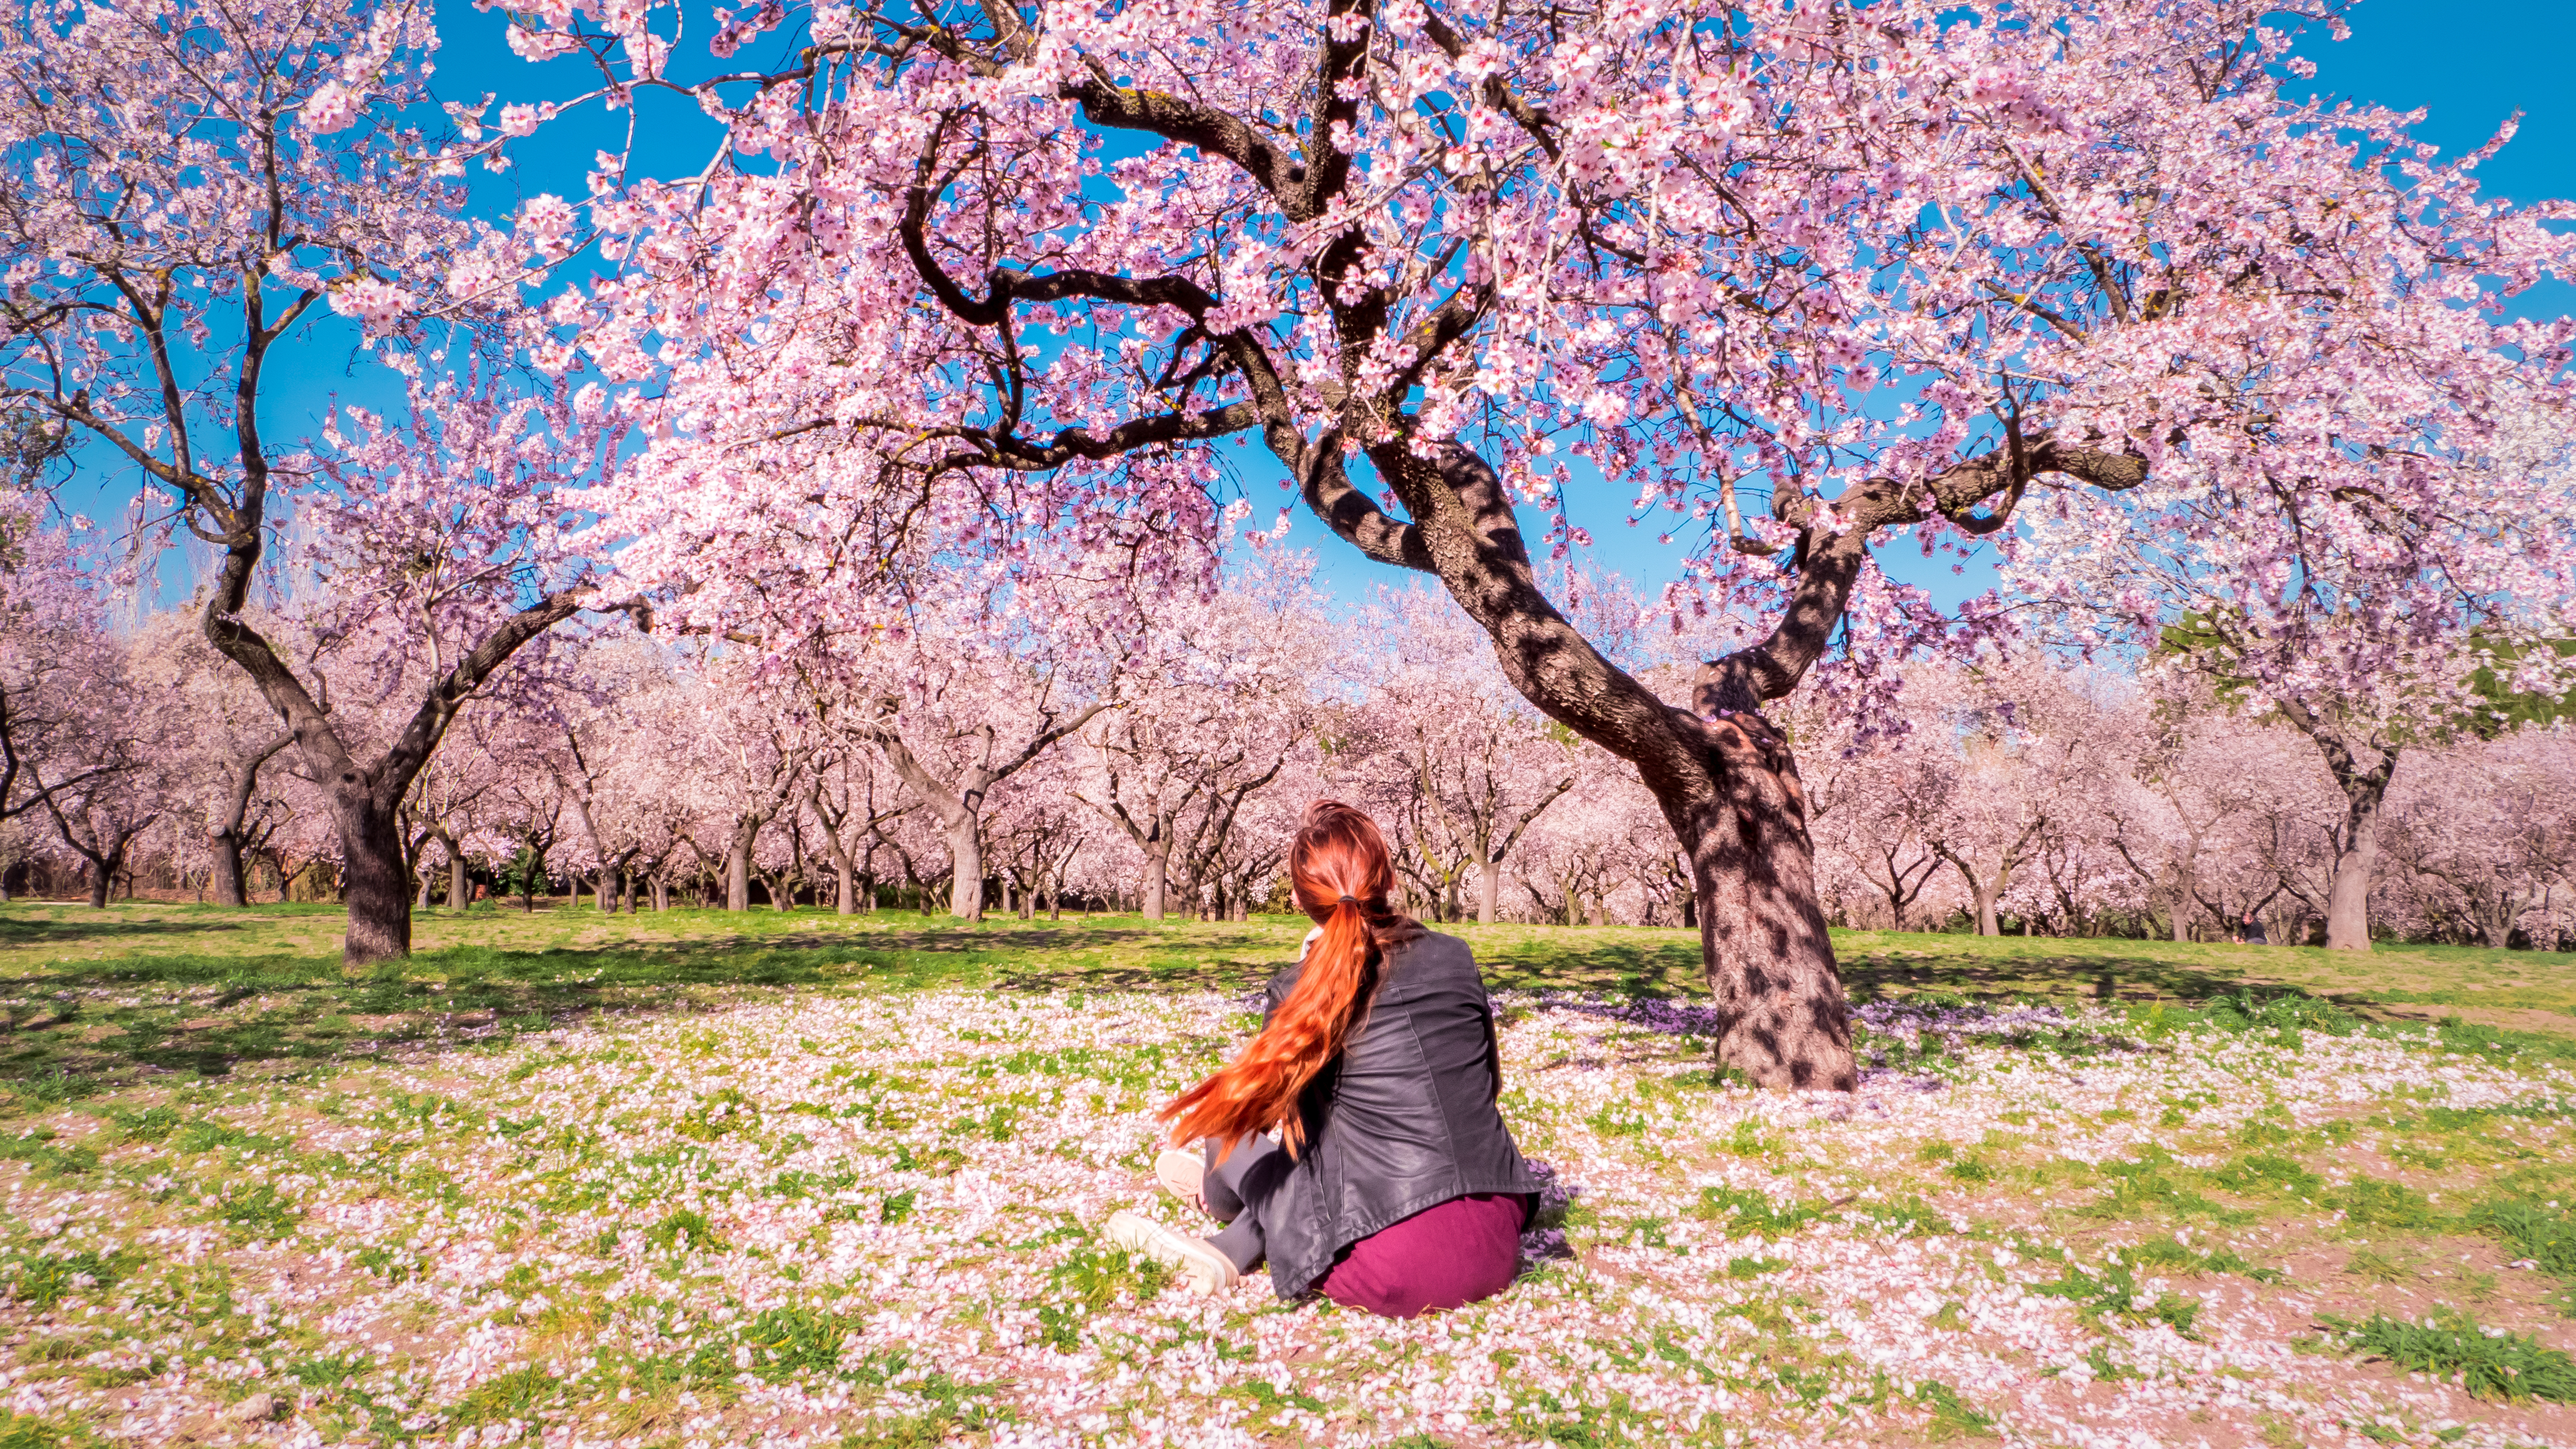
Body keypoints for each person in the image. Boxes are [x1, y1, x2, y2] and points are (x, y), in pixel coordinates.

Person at [1104, 800, 1541, 1318]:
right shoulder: (1455, 956)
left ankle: (1224, 1213)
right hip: (1495, 1233)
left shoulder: (1296, 990)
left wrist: (1311, 965)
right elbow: (1488, 1085)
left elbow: (1265, 1120)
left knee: (1229, 1123)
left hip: (1392, 1267)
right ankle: (1237, 1237)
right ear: (1390, 877)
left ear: (1298, 899)